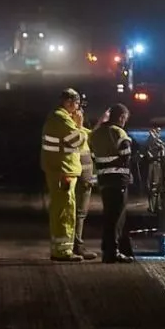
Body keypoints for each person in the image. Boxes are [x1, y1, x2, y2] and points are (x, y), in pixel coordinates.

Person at [40, 88, 88, 261]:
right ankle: (62, 251)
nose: (78, 108)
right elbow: (77, 140)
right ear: (69, 102)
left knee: (63, 208)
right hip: (63, 170)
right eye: (77, 104)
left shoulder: (60, 118)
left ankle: (61, 249)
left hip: (60, 168)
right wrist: (80, 124)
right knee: (65, 210)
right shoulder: (61, 118)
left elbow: (83, 137)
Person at [90, 103, 135, 262]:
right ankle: (112, 252)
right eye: (125, 118)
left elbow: (93, 156)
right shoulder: (119, 132)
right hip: (118, 181)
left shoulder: (96, 134)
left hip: (103, 180)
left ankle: (109, 249)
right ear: (122, 117)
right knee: (116, 218)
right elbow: (126, 155)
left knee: (109, 216)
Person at [71, 101, 100, 261]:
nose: (81, 114)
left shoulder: (79, 130)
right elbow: (78, 143)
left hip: (82, 178)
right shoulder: (74, 131)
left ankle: (75, 244)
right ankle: (77, 245)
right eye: (78, 111)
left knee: (78, 213)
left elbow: (92, 135)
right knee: (79, 213)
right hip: (79, 178)